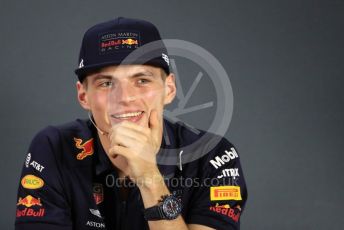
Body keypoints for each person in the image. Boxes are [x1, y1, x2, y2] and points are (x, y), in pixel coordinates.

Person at [15, 17, 247, 230]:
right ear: (83, 96)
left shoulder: (213, 154)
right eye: (106, 83)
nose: (125, 98)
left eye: (142, 80)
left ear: (169, 89)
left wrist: (148, 177)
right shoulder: (54, 147)